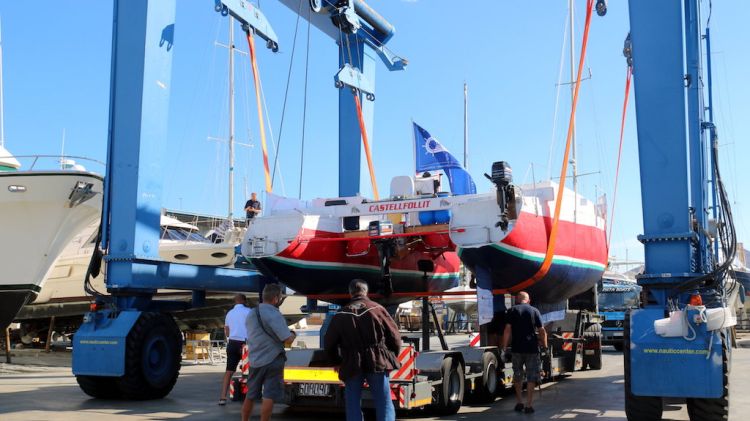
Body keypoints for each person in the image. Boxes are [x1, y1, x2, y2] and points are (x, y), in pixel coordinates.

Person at [324, 279, 401, 421]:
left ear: (350, 293)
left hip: (351, 362)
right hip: (377, 360)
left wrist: (336, 362)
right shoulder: (378, 309)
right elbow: (395, 336)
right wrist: (391, 356)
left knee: (352, 402)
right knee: (383, 401)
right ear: (366, 291)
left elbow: (329, 342)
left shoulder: (341, 314)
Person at [241, 284, 295, 421]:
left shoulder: (252, 313)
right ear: (276, 298)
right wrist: (293, 334)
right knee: (269, 396)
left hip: (255, 360)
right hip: (273, 360)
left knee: (251, 395)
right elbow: (287, 339)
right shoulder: (274, 314)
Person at [502, 291, 547, 414]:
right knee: (531, 377)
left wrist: (504, 348)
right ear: (529, 300)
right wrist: (545, 345)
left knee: (518, 375)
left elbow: (507, 330)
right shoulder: (534, 311)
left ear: (517, 300)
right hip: (532, 349)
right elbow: (542, 331)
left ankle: (519, 402)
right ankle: (529, 405)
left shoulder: (511, 311)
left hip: (517, 349)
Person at [219, 294, 250, 405]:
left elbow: (227, 331)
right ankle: (249, 396)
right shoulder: (249, 311)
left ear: (235, 302)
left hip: (232, 343)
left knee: (229, 371)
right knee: (249, 371)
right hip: (245, 344)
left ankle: (222, 397)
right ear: (245, 301)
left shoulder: (229, 313)